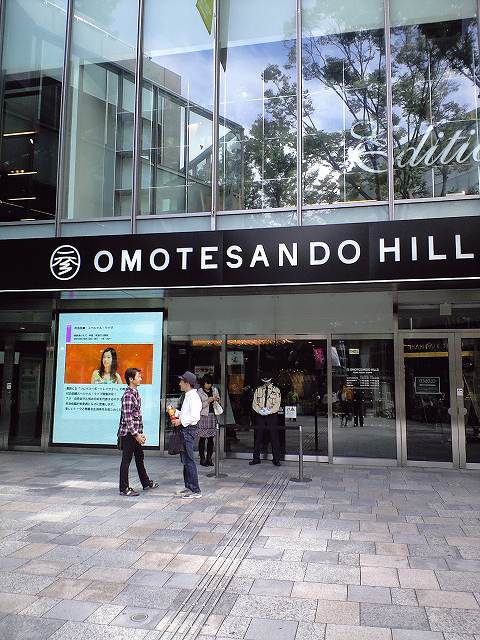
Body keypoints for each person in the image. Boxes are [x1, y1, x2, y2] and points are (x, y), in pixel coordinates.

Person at [118, 367, 158, 496]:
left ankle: (145, 483)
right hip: (129, 434)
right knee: (126, 461)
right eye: (138, 376)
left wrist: (139, 433)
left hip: (135, 433)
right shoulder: (128, 396)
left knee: (140, 458)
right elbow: (128, 418)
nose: (141, 378)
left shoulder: (135, 393)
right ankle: (124, 488)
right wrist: (136, 435)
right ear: (131, 379)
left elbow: (136, 417)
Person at [171, 370, 203, 498]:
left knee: (189, 460)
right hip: (186, 430)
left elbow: (195, 417)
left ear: (187, 383)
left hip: (188, 430)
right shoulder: (188, 396)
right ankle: (188, 486)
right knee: (185, 460)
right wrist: (176, 412)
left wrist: (180, 421)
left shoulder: (193, 397)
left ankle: (195, 490)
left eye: (181, 381)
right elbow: (186, 414)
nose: (179, 383)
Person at [250, 371, 282, 466]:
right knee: (258, 437)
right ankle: (256, 458)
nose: (266, 382)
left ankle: (276, 459)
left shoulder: (276, 390)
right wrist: (260, 411)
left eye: (267, 380)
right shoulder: (258, 390)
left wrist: (269, 411)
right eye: (264, 380)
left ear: (271, 380)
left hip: (272, 416)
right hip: (260, 415)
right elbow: (254, 403)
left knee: (274, 437)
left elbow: (277, 404)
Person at [197, 374, 220, 466]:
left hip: (212, 416)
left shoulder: (214, 390)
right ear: (203, 383)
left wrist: (216, 400)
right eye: (207, 383)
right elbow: (198, 406)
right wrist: (208, 401)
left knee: (211, 438)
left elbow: (218, 401)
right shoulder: (199, 392)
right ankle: (202, 459)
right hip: (203, 416)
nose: (208, 385)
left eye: (210, 383)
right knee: (202, 438)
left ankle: (209, 458)